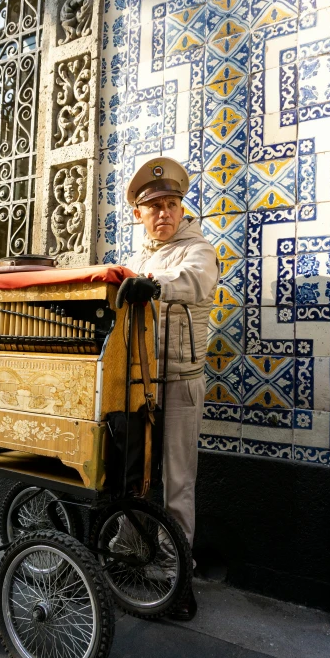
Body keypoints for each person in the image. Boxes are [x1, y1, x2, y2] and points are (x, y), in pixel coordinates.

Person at [116, 157, 219, 621]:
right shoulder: (136, 258)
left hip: (178, 380)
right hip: (138, 382)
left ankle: (175, 570)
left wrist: (150, 284)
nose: (164, 214)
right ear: (138, 214)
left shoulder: (197, 249)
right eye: (154, 206)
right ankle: (129, 549)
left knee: (177, 481)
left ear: (182, 210)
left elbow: (194, 281)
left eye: (172, 204)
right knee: (133, 473)